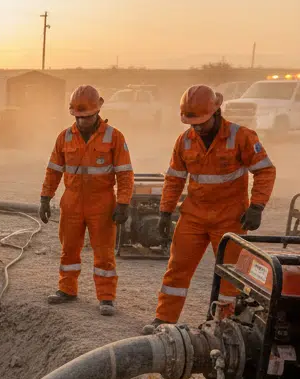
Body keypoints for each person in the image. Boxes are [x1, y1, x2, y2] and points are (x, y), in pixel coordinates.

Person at [146, 84, 276, 331]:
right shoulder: (184, 141)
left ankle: (223, 325)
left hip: (230, 218)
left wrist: (257, 206)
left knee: (230, 277)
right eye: (191, 123)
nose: (196, 128)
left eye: (201, 122)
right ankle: (164, 319)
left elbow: (265, 171)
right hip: (193, 215)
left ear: (216, 112)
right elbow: (174, 179)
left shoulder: (242, 137)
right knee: (177, 269)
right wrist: (165, 212)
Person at [40, 85, 134, 315]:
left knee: (104, 252)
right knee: (69, 249)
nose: (82, 121)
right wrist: (45, 197)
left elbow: (124, 173)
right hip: (71, 200)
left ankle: (106, 297)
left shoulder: (114, 137)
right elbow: (53, 170)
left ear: (98, 109)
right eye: (78, 117)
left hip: (101, 202)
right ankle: (67, 289)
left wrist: (123, 202)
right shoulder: (65, 137)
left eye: (87, 116)